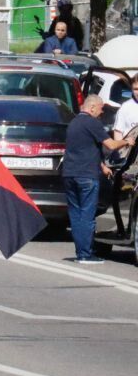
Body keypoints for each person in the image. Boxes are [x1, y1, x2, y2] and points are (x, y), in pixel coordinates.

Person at [63, 95, 134, 263]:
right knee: (87, 215)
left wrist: (102, 166)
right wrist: (127, 141)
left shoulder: (73, 123)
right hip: (86, 175)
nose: (102, 113)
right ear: (92, 107)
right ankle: (86, 254)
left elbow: (84, 148)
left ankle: (81, 253)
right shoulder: (92, 123)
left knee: (76, 215)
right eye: (101, 108)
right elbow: (110, 144)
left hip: (69, 174)